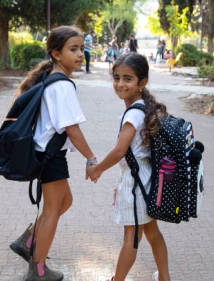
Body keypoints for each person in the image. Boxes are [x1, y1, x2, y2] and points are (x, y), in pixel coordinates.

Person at [9, 25, 98, 281]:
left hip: (45, 154)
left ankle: (27, 241)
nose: (80, 53)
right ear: (57, 54)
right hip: (51, 157)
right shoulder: (63, 85)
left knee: (64, 202)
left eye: (81, 48)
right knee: (51, 212)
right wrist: (92, 158)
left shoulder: (54, 80)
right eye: (73, 49)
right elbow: (71, 128)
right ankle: (37, 271)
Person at [86, 52, 171, 281]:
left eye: (127, 79)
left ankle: (118, 280)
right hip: (144, 178)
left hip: (136, 183)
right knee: (152, 232)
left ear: (142, 83)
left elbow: (119, 151)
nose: (120, 84)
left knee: (131, 237)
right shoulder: (143, 107)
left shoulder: (133, 113)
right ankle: (164, 277)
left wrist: (97, 168)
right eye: (116, 77)